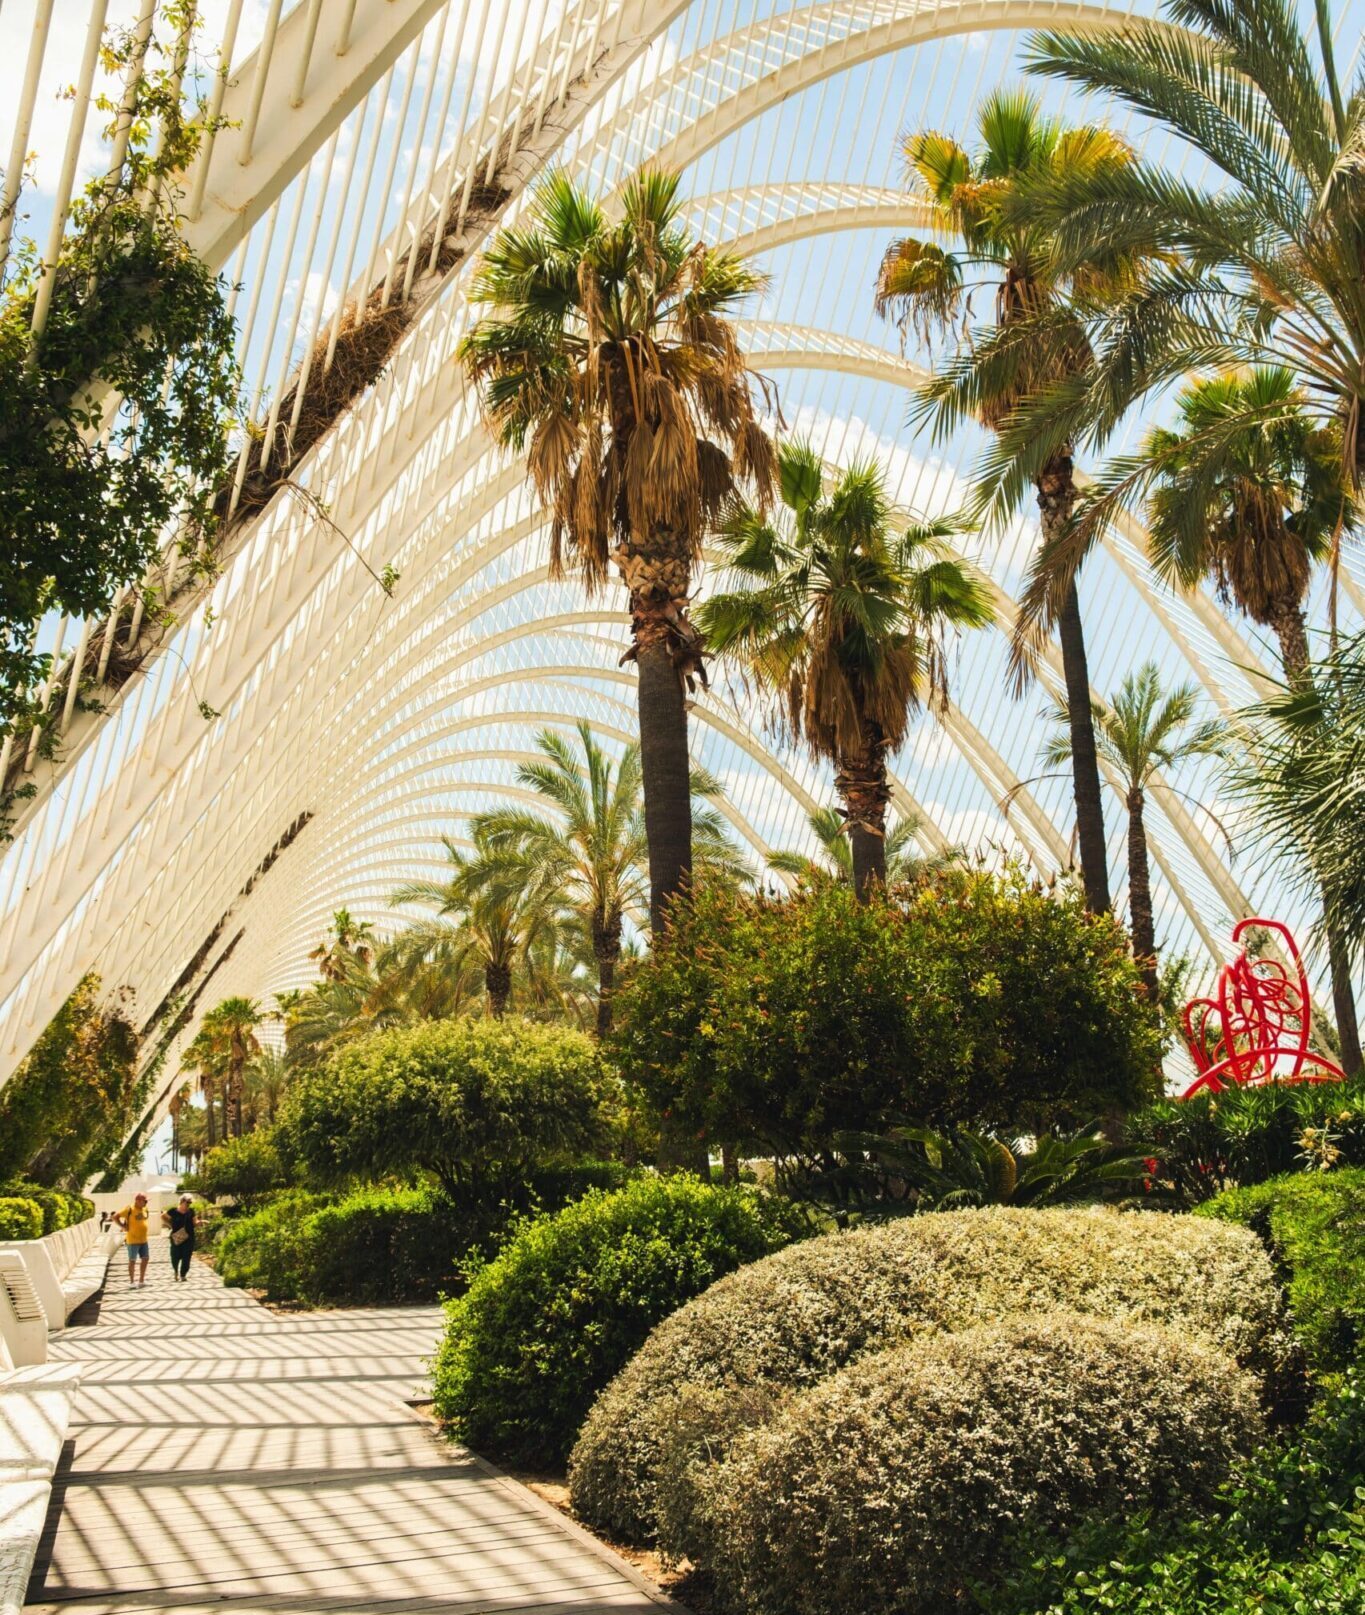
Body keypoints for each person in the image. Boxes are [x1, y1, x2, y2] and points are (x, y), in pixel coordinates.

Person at [114, 1193, 151, 1288]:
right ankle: (132, 1282)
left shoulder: (145, 1209)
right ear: (138, 1201)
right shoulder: (129, 1209)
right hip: (133, 1240)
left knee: (145, 1259)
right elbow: (115, 1217)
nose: (146, 1203)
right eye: (145, 1201)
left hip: (144, 1240)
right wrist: (123, 1226)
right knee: (132, 1260)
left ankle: (141, 1281)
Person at [163, 1196, 196, 1283]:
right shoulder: (173, 1211)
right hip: (176, 1237)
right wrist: (170, 1225)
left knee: (187, 1257)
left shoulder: (191, 1212)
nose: (188, 1204)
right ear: (181, 1201)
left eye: (190, 1203)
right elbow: (163, 1216)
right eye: (187, 1202)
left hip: (189, 1237)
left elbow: (194, 1223)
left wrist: (201, 1222)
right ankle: (175, 1271)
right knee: (175, 1256)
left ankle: (183, 1275)